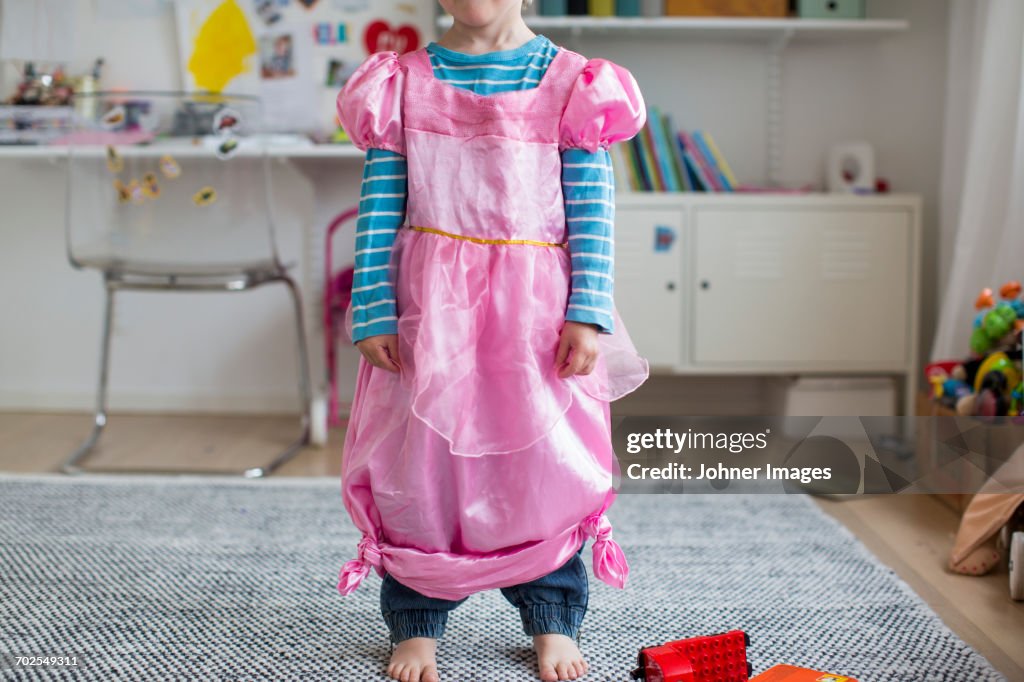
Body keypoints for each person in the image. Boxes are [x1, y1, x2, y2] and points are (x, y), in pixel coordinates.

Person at [335, 1, 648, 680]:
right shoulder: (402, 82)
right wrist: (373, 309)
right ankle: (415, 621)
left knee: (543, 462)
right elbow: (381, 202)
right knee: (421, 463)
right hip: (432, 310)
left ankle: (552, 616)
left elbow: (593, 207)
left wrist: (587, 310)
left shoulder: (575, 83)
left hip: (533, 314)